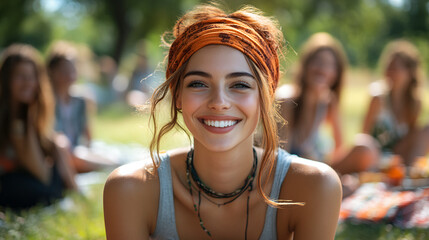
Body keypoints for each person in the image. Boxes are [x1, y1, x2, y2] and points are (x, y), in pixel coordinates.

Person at [104, 4, 341, 239]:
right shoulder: (130, 190)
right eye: (198, 83)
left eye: (239, 85)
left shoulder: (314, 187)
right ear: (177, 95)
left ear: (266, 97)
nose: (219, 102)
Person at [276, 32, 377, 176]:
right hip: (290, 173)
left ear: (336, 74)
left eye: (330, 65)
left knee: (364, 148)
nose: (323, 69)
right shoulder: (286, 100)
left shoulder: (328, 102)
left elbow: (338, 150)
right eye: (318, 61)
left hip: (316, 170)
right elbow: (280, 160)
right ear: (305, 65)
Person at [0, 44, 76, 210]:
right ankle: (75, 192)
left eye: (32, 76)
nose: (29, 82)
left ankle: (76, 191)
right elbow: (41, 173)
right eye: (20, 76)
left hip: (20, 179)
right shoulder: (17, 122)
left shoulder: (23, 116)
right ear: (6, 80)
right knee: (49, 192)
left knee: (58, 144)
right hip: (6, 184)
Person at [47, 41, 116, 173]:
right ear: (52, 71)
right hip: (60, 154)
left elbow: (87, 134)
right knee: (77, 157)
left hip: (79, 150)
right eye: (64, 69)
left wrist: (91, 150)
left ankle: (109, 165)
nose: (69, 73)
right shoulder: (47, 101)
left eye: (72, 68)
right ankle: (108, 167)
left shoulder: (80, 100)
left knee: (103, 155)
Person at [362, 39, 429, 166]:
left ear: (410, 73)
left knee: (427, 130)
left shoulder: (414, 103)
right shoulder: (378, 98)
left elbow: (410, 139)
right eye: (389, 66)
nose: (391, 72)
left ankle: (409, 174)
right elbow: (364, 136)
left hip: (398, 158)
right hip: (376, 157)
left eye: (396, 68)